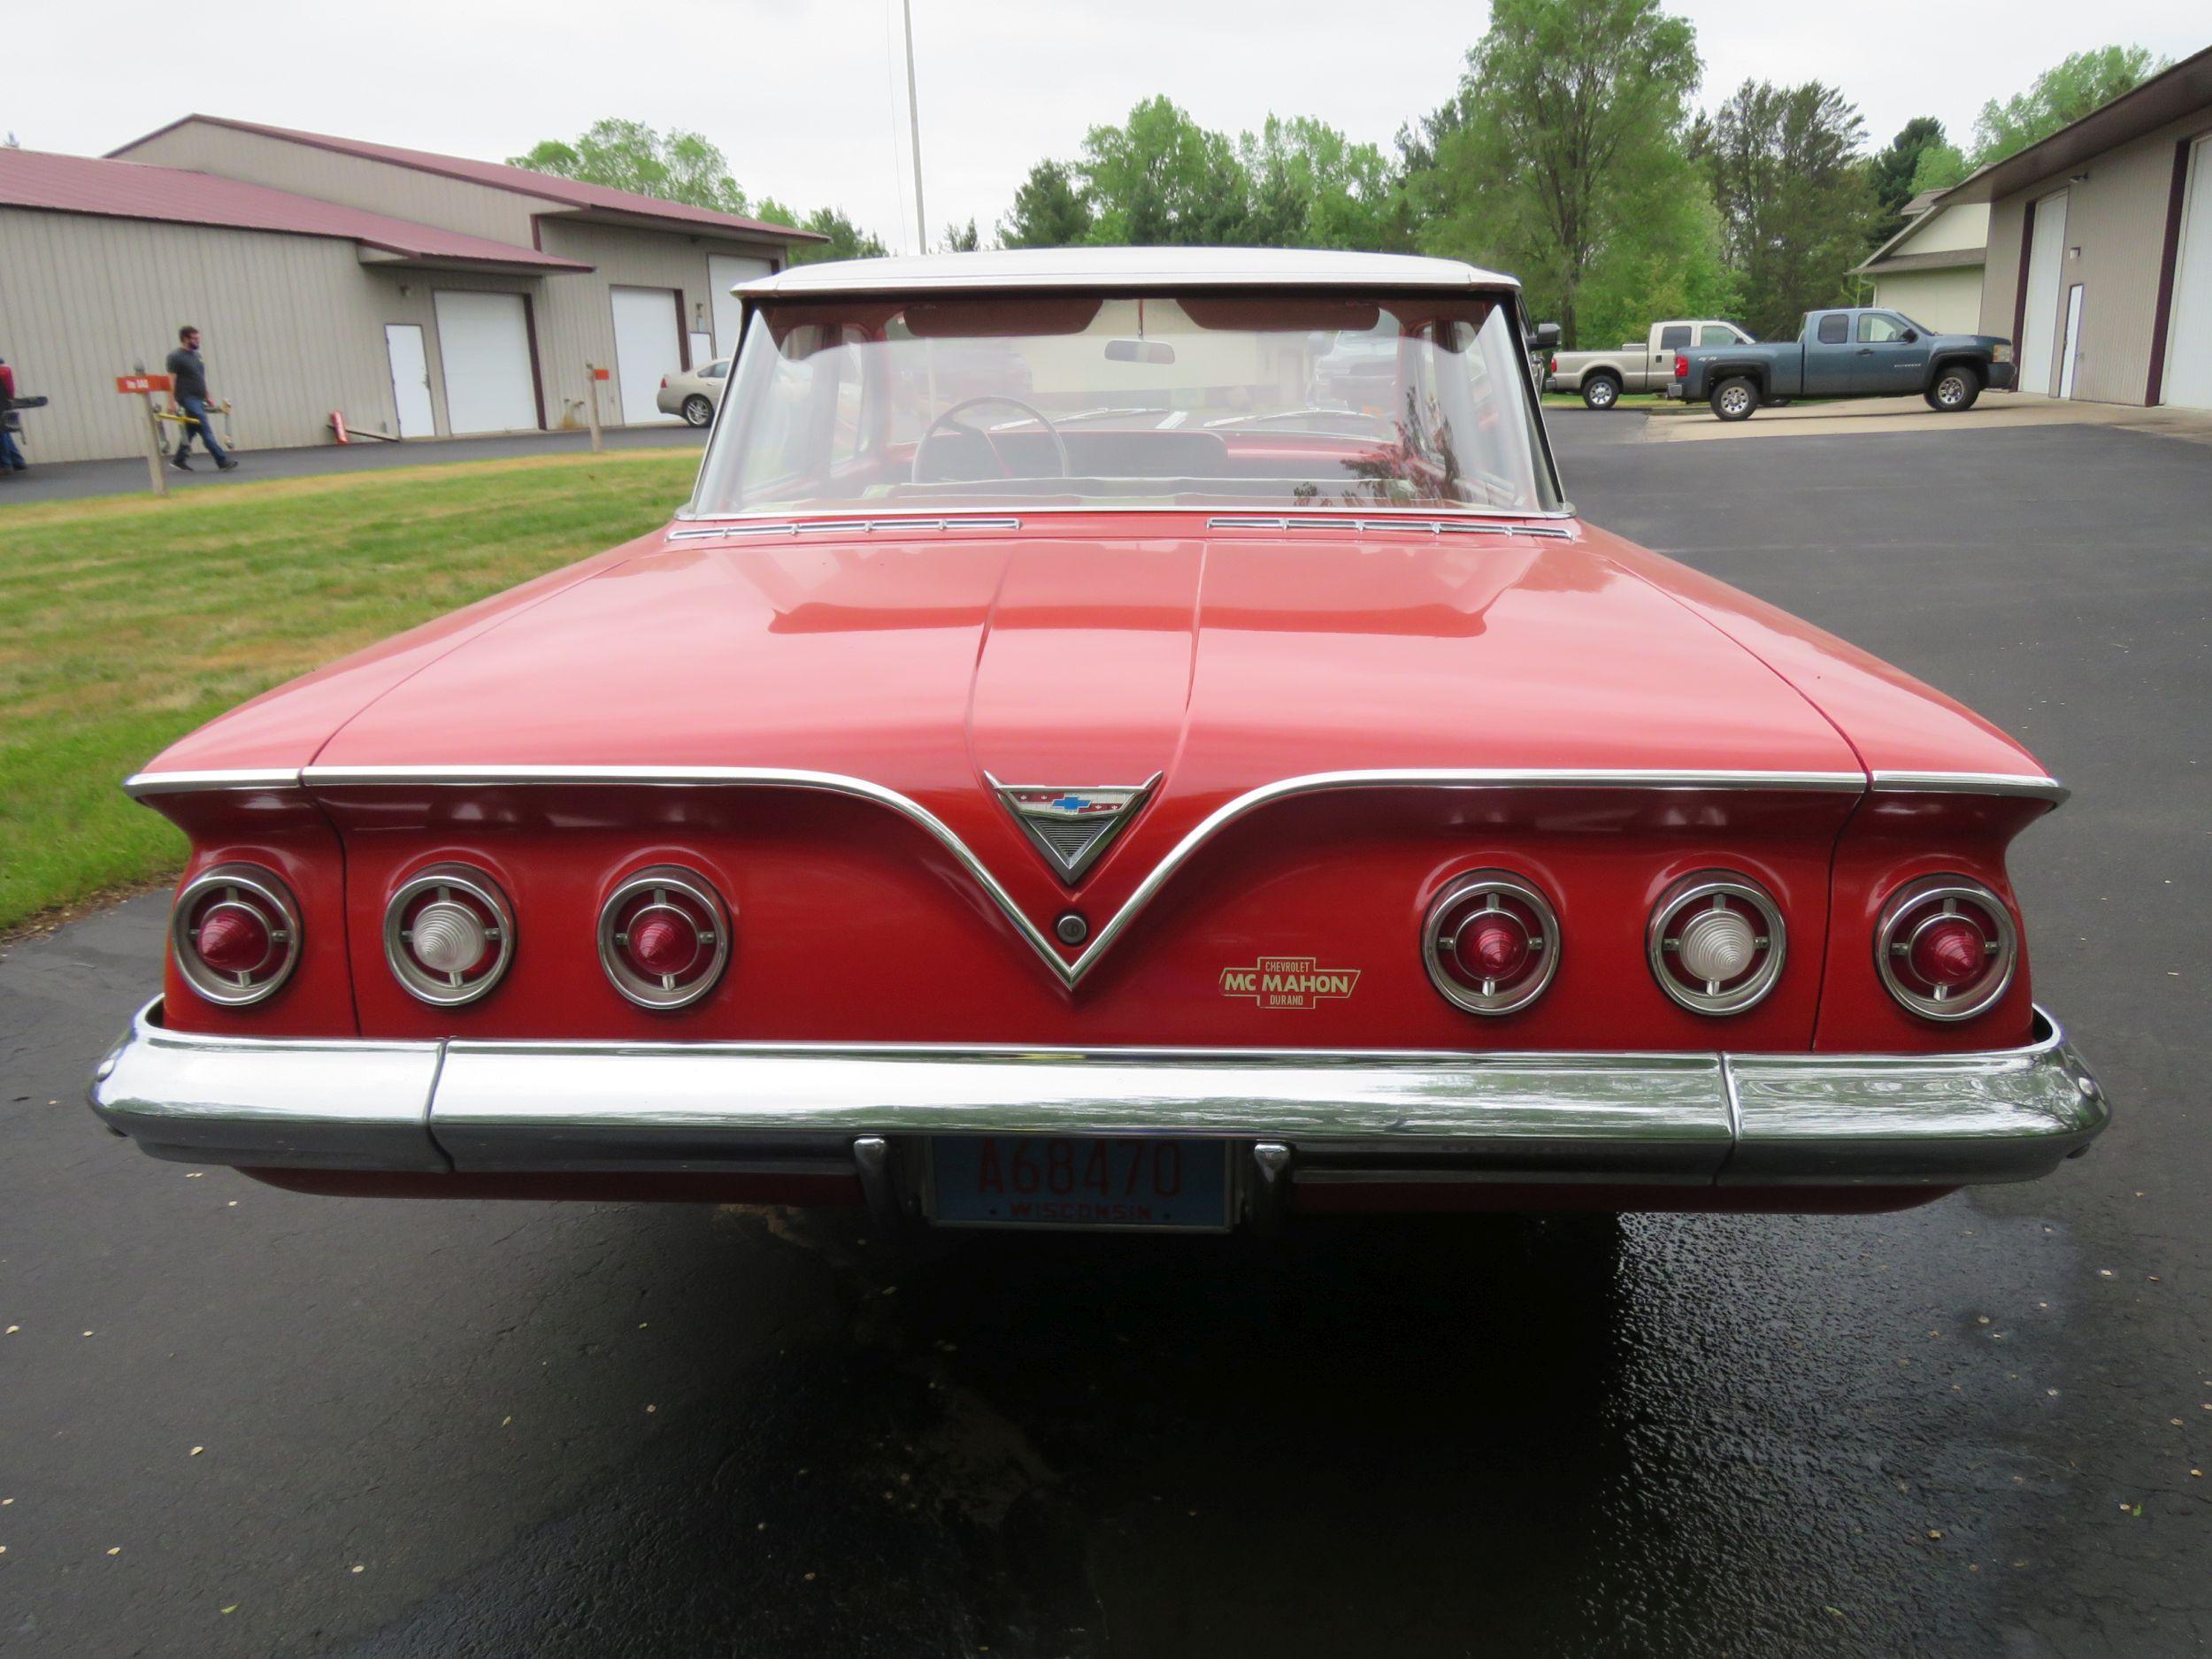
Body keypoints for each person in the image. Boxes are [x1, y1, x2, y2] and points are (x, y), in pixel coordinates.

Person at [164, 326, 237, 472]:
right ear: (185, 339)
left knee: (191, 429)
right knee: (205, 429)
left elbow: (200, 378)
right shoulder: (175, 357)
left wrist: (207, 395)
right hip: (187, 398)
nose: (198, 341)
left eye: (198, 338)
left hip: (198, 398)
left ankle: (179, 460)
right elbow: (171, 381)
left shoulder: (197, 356)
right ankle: (222, 461)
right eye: (195, 338)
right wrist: (170, 402)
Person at [0, 356, 26, 473]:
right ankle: (17, 460)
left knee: (1, 432)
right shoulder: (5, 370)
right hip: (4, 403)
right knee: (4, 431)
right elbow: (10, 390)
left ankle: (5, 465)